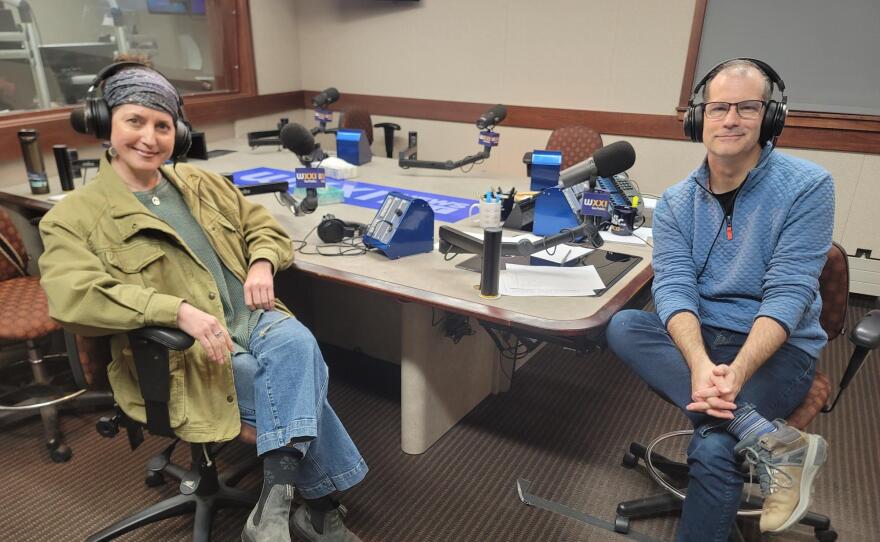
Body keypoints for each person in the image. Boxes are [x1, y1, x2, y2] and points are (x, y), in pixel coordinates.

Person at [38, 63, 367, 542]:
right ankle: (319, 504)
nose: (150, 137)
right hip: (186, 354)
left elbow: (267, 228)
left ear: (179, 133)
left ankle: (273, 506)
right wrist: (175, 310)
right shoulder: (75, 215)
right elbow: (73, 297)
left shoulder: (201, 184)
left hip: (251, 321)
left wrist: (261, 263)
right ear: (104, 122)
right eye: (135, 121)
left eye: (163, 126)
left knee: (297, 344)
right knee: (294, 380)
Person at [606, 58, 834, 540]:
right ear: (697, 118)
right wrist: (699, 364)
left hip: (777, 347)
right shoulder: (674, 202)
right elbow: (673, 287)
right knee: (624, 326)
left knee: (712, 448)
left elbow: (788, 294)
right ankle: (768, 439)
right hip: (706, 340)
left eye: (747, 107)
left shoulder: (809, 187)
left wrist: (738, 372)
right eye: (718, 107)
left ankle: (749, 434)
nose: (730, 118)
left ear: (770, 117)